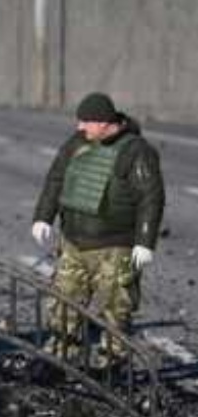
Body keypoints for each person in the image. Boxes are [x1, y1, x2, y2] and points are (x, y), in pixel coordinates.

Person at [31, 92, 164, 368]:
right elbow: (56, 180)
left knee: (115, 310)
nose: (80, 128)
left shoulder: (135, 151)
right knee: (63, 305)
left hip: (115, 247)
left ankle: (111, 367)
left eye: (86, 122)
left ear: (104, 122)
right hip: (73, 244)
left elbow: (151, 197)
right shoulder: (76, 145)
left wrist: (144, 241)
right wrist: (43, 217)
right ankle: (61, 360)